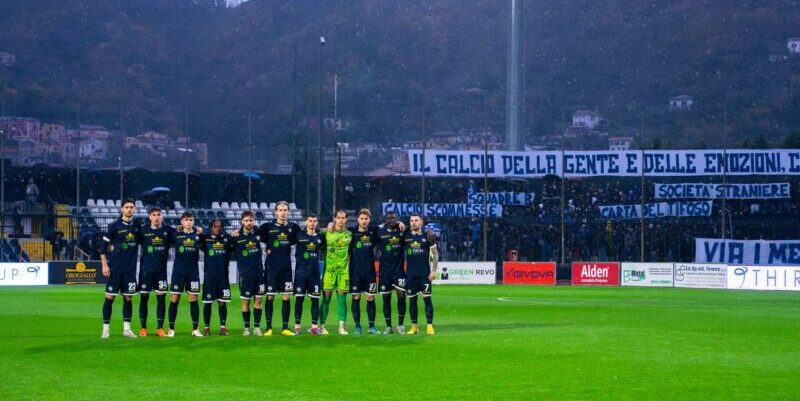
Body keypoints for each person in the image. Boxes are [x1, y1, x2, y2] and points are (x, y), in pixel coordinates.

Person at [255, 201, 299, 336]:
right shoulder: (267, 227)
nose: (283, 212)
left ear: (288, 212)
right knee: (270, 297)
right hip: (271, 268)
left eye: (285, 210)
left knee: (286, 297)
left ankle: (285, 328)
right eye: (280, 210)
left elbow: (307, 236)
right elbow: (250, 232)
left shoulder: (293, 227)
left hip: (286, 268)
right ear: (275, 212)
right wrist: (236, 231)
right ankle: (268, 328)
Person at [100, 198, 141, 338]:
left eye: (132, 207)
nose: (129, 209)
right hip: (115, 269)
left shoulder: (137, 226)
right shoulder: (114, 226)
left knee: (128, 298)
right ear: (122, 209)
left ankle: (127, 329)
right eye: (127, 207)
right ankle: (105, 329)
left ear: (134, 209)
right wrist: (105, 265)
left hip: (130, 270)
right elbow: (102, 247)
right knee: (109, 298)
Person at [136, 207, 174, 337]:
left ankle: (159, 328)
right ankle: (143, 327)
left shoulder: (168, 231)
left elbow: (182, 234)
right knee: (144, 298)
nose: (157, 217)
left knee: (161, 299)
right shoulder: (143, 231)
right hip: (146, 271)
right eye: (154, 215)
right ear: (149, 217)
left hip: (161, 272)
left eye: (159, 214)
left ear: (162, 216)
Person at [167, 211, 203, 337]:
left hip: (193, 272)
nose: (189, 222)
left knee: (193, 298)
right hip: (178, 271)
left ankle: (195, 329)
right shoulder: (175, 233)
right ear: (182, 221)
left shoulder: (198, 234)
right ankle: (171, 329)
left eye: (191, 220)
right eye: (186, 220)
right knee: (174, 299)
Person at [402, 213, 438, 335]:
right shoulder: (406, 235)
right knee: (412, 301)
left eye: (416, 220)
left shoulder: (428, 236)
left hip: (424, 275)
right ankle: (414, 327)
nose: (413, 222)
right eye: (411, 220)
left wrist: (434, 271)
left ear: (421, 222)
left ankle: (429, 326)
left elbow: (435, 254)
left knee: (427, 299)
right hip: (411, 275)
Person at [320, 209, 353, 335]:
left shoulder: (350, 234)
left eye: (343, 218)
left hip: (343, 271)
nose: (340, 220)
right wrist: (328, 225)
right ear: (334, 219)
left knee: (342, 300)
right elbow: (311, 233)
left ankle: (342, 327)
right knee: (326, 300)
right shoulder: (326, 233)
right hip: (329, 271)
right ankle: (322, 326)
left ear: (346, 219)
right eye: (338, 217)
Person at [232, 210, 265, 336]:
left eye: (251, 220)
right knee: (246, 301)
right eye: (246, 220)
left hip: (259, 273)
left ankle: (256, 327)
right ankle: (246, 328)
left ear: (254, 221)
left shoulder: (258, 232)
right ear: (242, 221)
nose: (249, 223)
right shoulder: (236, 236)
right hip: (245, 275)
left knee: (259, 300)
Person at [348, 208, 380, 335]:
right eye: (361, 218)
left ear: (369, 220)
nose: (364, 221)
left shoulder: (373, 233)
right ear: (357, 219)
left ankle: (371, 326)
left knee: (370, 297)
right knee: (356, 296)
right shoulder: (352, 233)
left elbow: (387, 228)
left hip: (370, 272)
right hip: (355, 271)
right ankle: (357, 326)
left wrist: (399, 223)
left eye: (366, 219)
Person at [374, 212, 407, 334]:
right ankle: (388, 326)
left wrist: (401, 224)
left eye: (394, 219)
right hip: (385, 271)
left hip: (399, 270)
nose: (392, 220)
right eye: (389, 219)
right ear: (385, 220)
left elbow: (414, 232)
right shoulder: (379, 232)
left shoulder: (402, 231)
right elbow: (369, 230)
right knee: (386, 298)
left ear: (397, 220)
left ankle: (400, 324)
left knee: (401, 297)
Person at [292, 213, 325, 335]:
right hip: (301, 272)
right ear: (306, 222)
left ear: (316, 222)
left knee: (315, 300)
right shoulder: (298, 235)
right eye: (310, 220)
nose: (312, 223)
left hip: (315, 273)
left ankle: (314, 327)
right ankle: (296, 327)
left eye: (314, 221)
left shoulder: (321, 237)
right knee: (299, 300)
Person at [199, 219, 233, 336]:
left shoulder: (227, 239)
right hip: (210, 276)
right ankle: (206, 328)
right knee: (207, 303)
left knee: (222, 302)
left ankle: (223, 327)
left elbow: (234, 246)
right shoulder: (205, 238)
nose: (218, 229)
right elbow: (195, 238)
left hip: (223, 276)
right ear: (211, 228)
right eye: (215, 226)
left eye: (220, 227)